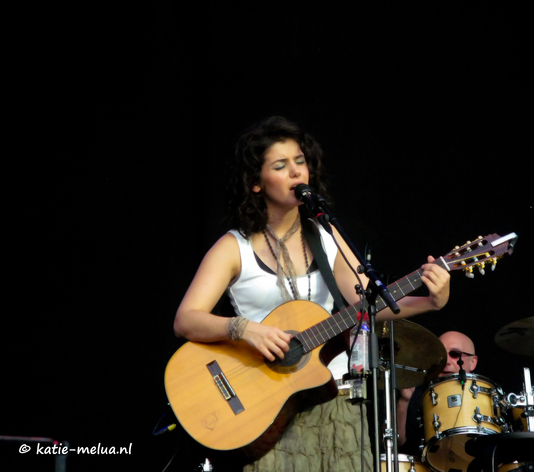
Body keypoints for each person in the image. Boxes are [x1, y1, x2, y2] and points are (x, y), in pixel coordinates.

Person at [173, 116, 451, 472]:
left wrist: (430, 301)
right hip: (265, 408)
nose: (295, 172)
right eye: (280, 165)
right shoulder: (234, 247)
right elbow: (186, 320)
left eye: (299, 161)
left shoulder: (324, 235)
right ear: (256, 183)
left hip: (334, 399)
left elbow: (365, 303)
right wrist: (244, 328)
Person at [396, 331, 478, 456]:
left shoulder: (489, 395)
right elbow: (399, 442)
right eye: (441, 356)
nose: (446, 361)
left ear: (473, 362)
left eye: (454, 354)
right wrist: (404, 401)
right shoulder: (419, 394)